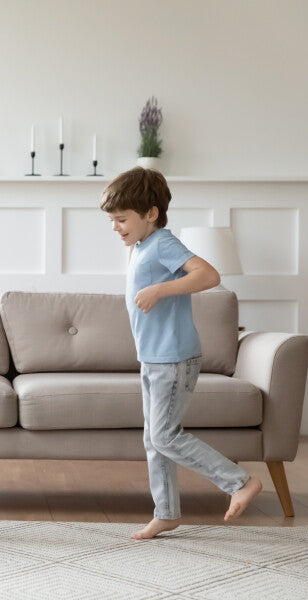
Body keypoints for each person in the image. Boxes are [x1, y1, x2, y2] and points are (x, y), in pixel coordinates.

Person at [100, 167, 261, 540]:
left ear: (151, 214)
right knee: (153, 439)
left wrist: (160, 290)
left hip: (173, 358)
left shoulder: (163, 243)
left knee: (165, 436)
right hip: (154, 358)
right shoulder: (142, 248)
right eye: (112, 220)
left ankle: (239, 481)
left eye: (122, 219)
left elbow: (209, 275)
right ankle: (167, 512)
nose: (115, 227)